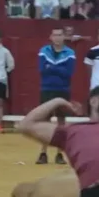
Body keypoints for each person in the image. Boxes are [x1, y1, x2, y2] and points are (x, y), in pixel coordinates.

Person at [36, 28, 77, 165]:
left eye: (60, 35)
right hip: (47, 89)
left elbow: (68, 73)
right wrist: (60, 69)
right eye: (55, 35)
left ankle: (59, 154)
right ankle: (43, 153)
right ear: (51, 37)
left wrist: (51, 67)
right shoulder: (44, 50)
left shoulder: (70, 53)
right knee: (45, 121)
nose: (57, 38)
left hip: (62, 89)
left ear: (64, 37)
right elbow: (42, 69)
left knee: (61, 123)